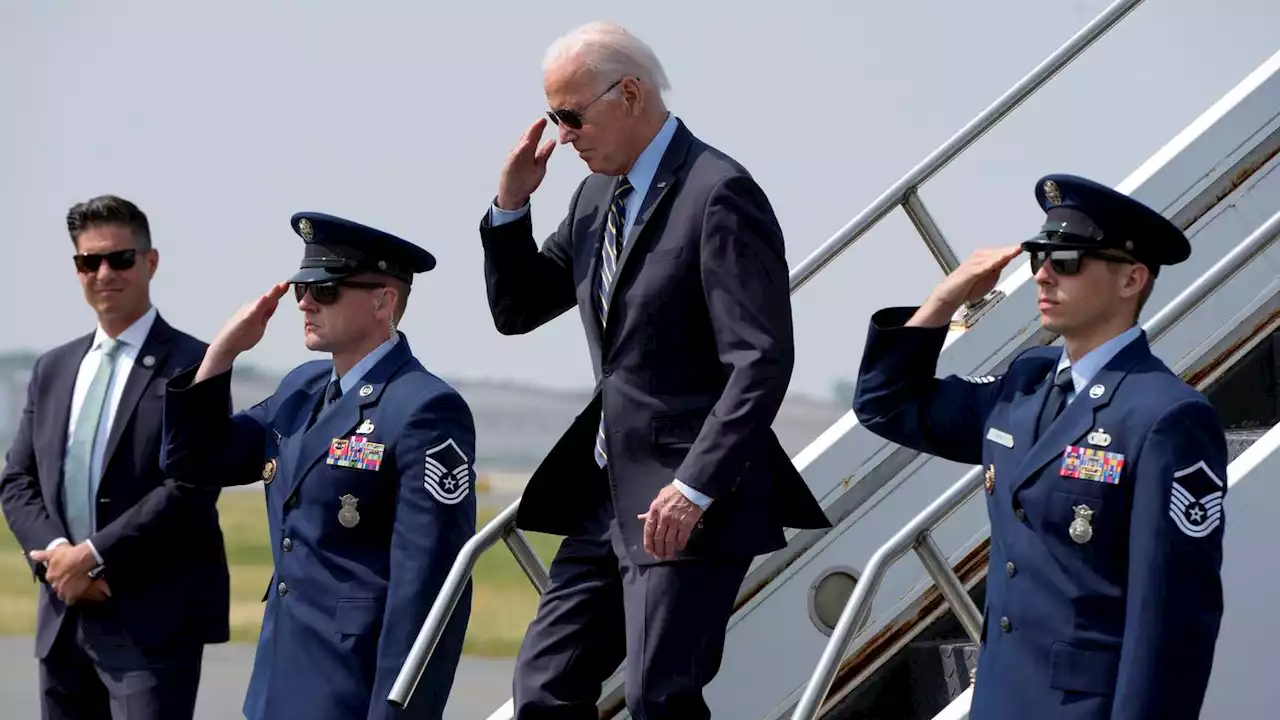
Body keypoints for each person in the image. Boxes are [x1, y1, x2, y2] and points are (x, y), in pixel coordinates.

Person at [479, 21, 830, 719]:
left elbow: (759, 361)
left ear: (630, 94)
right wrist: (511, 206)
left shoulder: (718, 191)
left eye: (571, 115)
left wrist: (696, 486)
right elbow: (517, 309)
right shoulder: (591, 199)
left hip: (687, 499)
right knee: (543, 689)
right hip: (605, 496)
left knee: (660, 699)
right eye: (555, 117)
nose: (564, 134)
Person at [852, 173, 1227, 719]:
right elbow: (885, 406)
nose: (1044, 276)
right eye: (1038, 259)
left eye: (1068, 260)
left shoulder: (1166, 416)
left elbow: (1171, 620)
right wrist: (946, 296)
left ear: (1131, 280)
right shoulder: (1026, 382)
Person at [158, 212, 476, 720]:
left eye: (325, 290)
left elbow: (429, 587)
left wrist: (398, 712)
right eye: (302, 287)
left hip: (351, 689)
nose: (304, 301)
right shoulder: (301, 389)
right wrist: (223, 353)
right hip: (279, 683)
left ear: (383, 301)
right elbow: (194, 460)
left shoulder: (424, 408)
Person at [0, 194, 230, 719]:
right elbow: (17, 482)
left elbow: (191, 487)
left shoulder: (195, 364)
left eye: (120, 258)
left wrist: (94, 555)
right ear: (77, 269)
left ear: (150, 262)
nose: (105, 272)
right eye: (89, 261)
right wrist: (60, 556)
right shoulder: (53, 368)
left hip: (150, 622)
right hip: (63, 615)